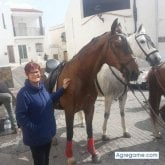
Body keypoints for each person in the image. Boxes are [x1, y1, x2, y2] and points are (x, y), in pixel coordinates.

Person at [15, 61, 70, 165]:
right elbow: (20, 116)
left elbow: (49, 99)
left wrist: (62, 88)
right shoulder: (23, 94)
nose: (36, 74)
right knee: (40, 162)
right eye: (32, 73)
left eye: (37, 71)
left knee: (46, 159)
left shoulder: (42, 88)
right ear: (27, 75)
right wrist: (35, 129)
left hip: (47, 134)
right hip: (36, 138)